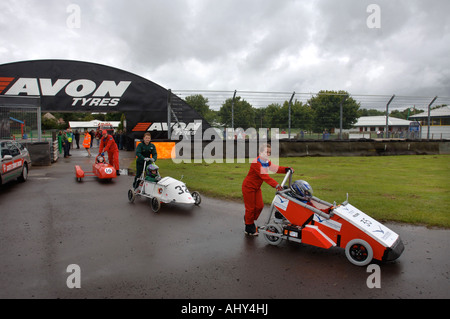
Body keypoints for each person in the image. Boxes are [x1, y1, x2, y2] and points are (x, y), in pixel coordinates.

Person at [242, 143, 293, 236]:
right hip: (248, 187)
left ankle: (248, 219)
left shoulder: (266, 161)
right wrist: (276, 185)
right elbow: (264, 176)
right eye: (266, 152)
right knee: (250, 208)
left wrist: (286, 169)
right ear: (261, 152)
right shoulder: (256, 163)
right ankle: (249, 228)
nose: (268, 154)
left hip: (256, 187)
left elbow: (274, 168)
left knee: (260, 206)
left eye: (269, 152)